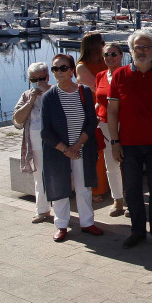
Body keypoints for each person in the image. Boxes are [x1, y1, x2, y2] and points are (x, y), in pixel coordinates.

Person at [108, 30, 152, 249]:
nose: (143, 51)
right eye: (139, 47)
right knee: (133, 190)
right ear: (131, 50)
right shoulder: (119, 75)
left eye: (147, 47)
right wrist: (114, 141)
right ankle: (137, 230)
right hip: (128, 144)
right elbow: (112, 111)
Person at [41, 54, 103, 242]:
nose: (59, 72)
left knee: (83, 186)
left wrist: (77, 145)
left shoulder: (83, 92)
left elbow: (92, 122)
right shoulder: (48, 97)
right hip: (58, 151)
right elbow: (46, 131)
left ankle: (87, 222)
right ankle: (61, 225)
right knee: (59, 186)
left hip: (82, 148)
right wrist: (66, 149)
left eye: (63, 68)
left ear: (71, 70)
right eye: (55, 69)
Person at [13, 63, 52, 223]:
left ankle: (60, 212)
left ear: (47, 77)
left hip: (55, 143)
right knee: (39, 176)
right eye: (34, 79)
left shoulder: (55, 91)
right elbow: (17, 120)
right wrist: (31, 100)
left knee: (56, 176)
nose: (38, 82)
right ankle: (42, 210)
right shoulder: (26, 95)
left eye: (41, 78)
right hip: (34, 143)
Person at [75, 32, 109, 201]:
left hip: (109, 109)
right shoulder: (82, 66)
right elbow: (96, 87)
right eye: (102, 42)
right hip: (93, 112)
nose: (105, 45)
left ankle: (112, 186)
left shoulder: (105, 61)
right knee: (97, 152)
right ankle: (97, 189)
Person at [94, 43, 126, 217]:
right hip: (105, 125)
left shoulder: (128, 74)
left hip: (126, 124)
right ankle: (117, 199)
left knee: (128, 163)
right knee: (111, 164)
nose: (110, 58)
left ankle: (131, 197)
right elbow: (99, 100)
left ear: (121, 55)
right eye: (106, 55)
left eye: (113, 54)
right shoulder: (100, 76)